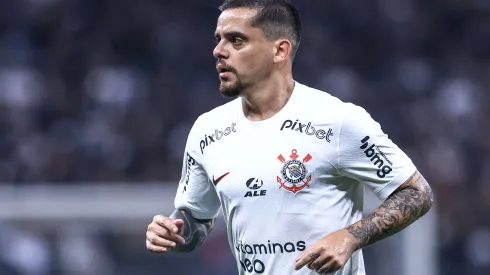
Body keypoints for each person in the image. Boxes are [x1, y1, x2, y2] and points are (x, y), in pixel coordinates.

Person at [145, 0, 435, 274]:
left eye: (236, 40)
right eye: (218, 39)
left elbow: (417, 193)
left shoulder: (337, 121)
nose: (218, 51)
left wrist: (350, 237)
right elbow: (197, 218)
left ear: (280, 50)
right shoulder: (207, 131)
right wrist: (175, 231)